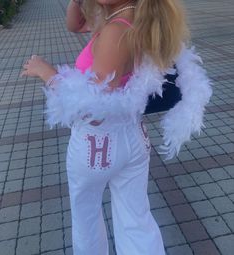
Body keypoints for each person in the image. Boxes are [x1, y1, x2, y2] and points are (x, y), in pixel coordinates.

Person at [20, 0, 212, 254]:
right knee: (136, 219)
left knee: (86, 219)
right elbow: (75, 25)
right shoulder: (136, 19)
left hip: (95, 145)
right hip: (133, 139)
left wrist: (46, 72)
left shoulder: (115, 30)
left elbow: (93, 106)